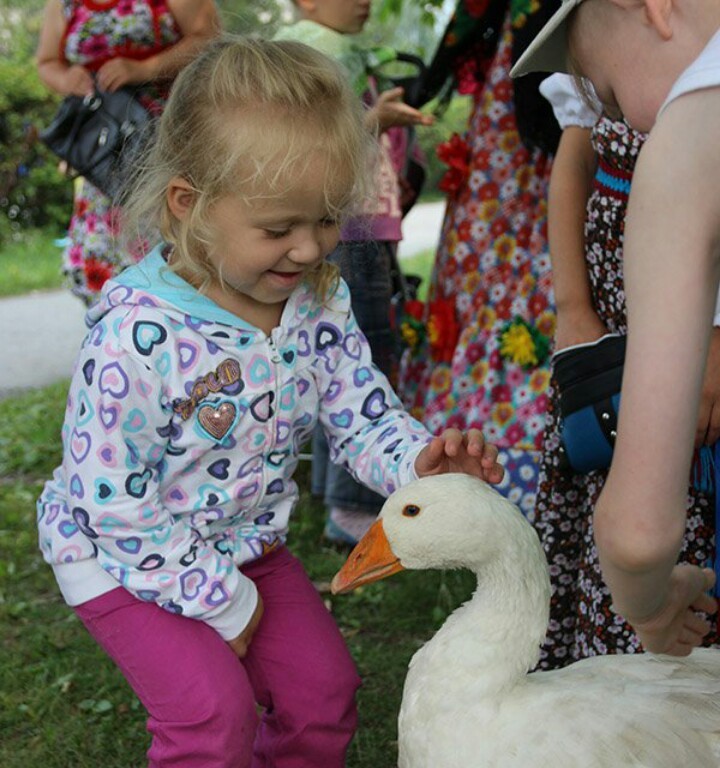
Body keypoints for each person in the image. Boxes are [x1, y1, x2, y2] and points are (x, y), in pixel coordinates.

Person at [36, 37, 504, 767]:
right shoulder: (135, 334)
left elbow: (358, 405)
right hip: (121, 556)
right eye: (279, 228)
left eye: (325, 220)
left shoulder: (315, 300)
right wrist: (221, 601)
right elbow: (110, 504)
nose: (312, 250)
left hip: (245, 543)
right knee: (210, 719)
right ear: (188, 205)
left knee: (324, 695)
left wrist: (419, 461)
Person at [511, 0, 720, 656]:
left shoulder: (690, 138)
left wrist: (652, 609)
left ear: (653, 8)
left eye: (604, 90)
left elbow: (638, 532)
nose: (624, 121)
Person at [275, 0, 433, 545]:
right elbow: (317, 142)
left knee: (330, 359)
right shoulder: (325, 48)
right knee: (362, 357)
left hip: (350, 222)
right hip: (349, 226)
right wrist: (377, 119)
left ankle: (336, 495)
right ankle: (351, 507)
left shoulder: (323, 46)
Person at [397, 0, 562, 518]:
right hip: (509, 121)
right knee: (489, 259)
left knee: (538, 250)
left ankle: (513, 448)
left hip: (545, 116)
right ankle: (458, 448)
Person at [36, 0, 220, 306]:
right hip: (106, 157)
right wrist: (67, 80)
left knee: (182, 252)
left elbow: (210, 38)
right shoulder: (63, 3)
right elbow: (47, 63)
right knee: (105, 264)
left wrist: (145, 68)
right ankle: (119, 342)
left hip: (172, 140)